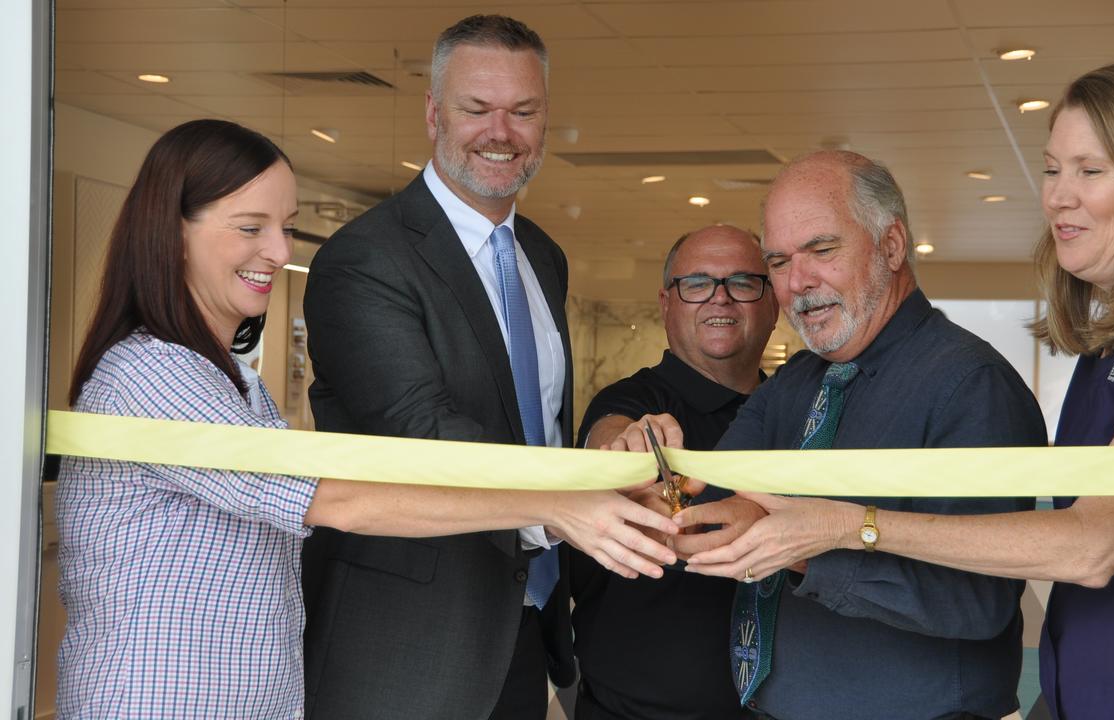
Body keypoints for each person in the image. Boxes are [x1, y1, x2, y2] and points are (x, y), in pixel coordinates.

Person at [55, 119, 677, 720]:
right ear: (173, 233)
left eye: (287, 227)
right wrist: (558, 503)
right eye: (250, 227)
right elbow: (339, 500)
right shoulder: (152, 374)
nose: (277, 252)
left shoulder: (231, 382)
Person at [694, 64, 1114, 720]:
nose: (1058, 196)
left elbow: (1091, 546)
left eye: (1091, 171)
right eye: (1053, 169)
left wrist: (842, 527)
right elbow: (712, 506)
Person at [298, 14, 670, 720]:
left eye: (523, 111)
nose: (501, 132)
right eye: (477, 108)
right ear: (435, 114)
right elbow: (424, 436)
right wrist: (570, 508)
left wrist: (610, 473)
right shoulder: (365, 260)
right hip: (405, 648)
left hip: (525, 626)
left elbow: (540, 423)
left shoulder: (543, 255)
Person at [666, 150, 1047, 720]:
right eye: (778, 260)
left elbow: (978, 601)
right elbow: (714, 503)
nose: (798, 283)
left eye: (822, 250)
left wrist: (804, 549)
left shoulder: (971, 383)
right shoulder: (795, 382)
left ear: (892, 246)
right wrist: (650, 485)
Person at [569, 225, 778, 720]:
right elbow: (610, 432)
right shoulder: (634, 400)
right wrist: (628, 447)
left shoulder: (793, 409)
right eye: (697, 283)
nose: (720, 299)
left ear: (774, 304)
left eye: (744, 283)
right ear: (666, 303)